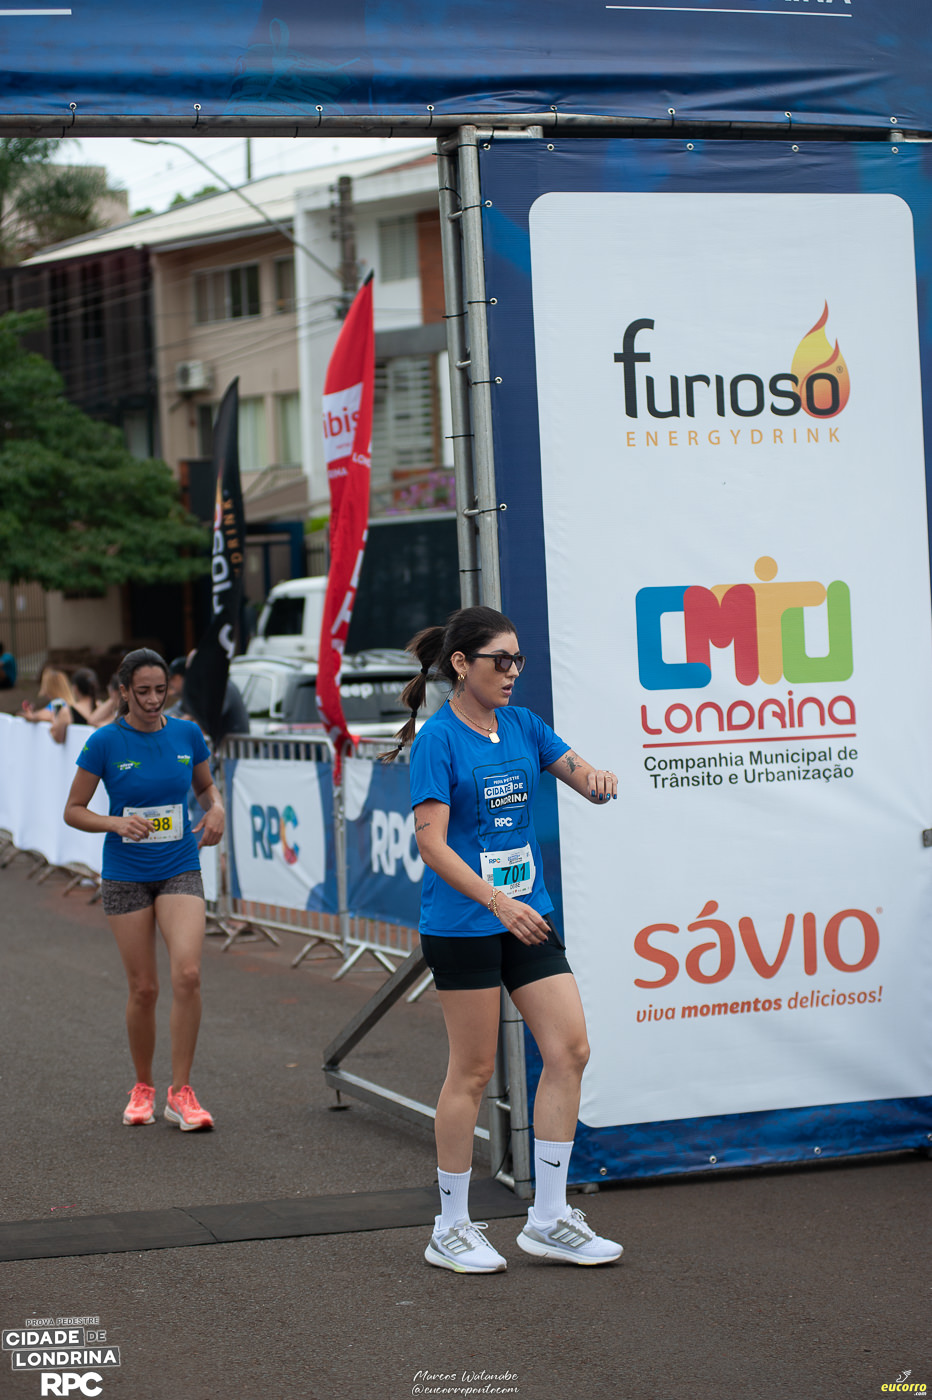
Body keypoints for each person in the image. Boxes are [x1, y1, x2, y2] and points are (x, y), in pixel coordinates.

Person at [385, 605, 623, 1274]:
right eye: (501, 660)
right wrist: (496, 900)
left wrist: (599, 783)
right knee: (473, 1070)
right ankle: (450, 1226)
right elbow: (431, 844)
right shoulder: (439, 739)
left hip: (528, 915)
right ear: (463, 664)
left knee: (569, 1049)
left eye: (519, 659)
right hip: (464, 922)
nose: (514, 671)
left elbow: (579, 773)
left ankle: (548, 1217)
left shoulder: (522, 725)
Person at [63, 648, 224, 1131]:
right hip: (126, 873)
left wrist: (216, 808)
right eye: (143, 692)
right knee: (144, 988)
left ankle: (181, 1092)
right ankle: (143, 1086)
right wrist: (115, 822)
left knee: (188, 974)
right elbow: (73, 810)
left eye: (161, 690)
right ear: (124, 692)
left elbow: (205, 789)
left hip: (179, 866)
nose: (154, 700)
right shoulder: (105, 742)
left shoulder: (186, 733)